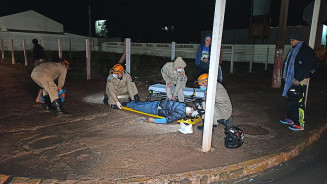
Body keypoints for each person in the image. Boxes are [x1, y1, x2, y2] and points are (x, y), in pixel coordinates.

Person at [280, 31, 320, 131]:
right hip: (291, 80)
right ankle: (291, 119)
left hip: (300, 80)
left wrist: (298, 79)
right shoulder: (294, 50)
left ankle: (300, 124)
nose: (290, 42)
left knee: (299, 102)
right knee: (291, 99)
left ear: (298, 40)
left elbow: (305, 67)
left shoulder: (305, 51)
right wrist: (285, 76)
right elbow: (288, 63)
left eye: (292, 40)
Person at [124, 100, 198, 124]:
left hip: (157, 103)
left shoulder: (184, 105)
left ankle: (128, 103)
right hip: (155, 108)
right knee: (137, 107)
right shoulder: (180, 114)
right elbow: (167, 120)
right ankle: (126, 104)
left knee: (140, 105)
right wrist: (153, 120)